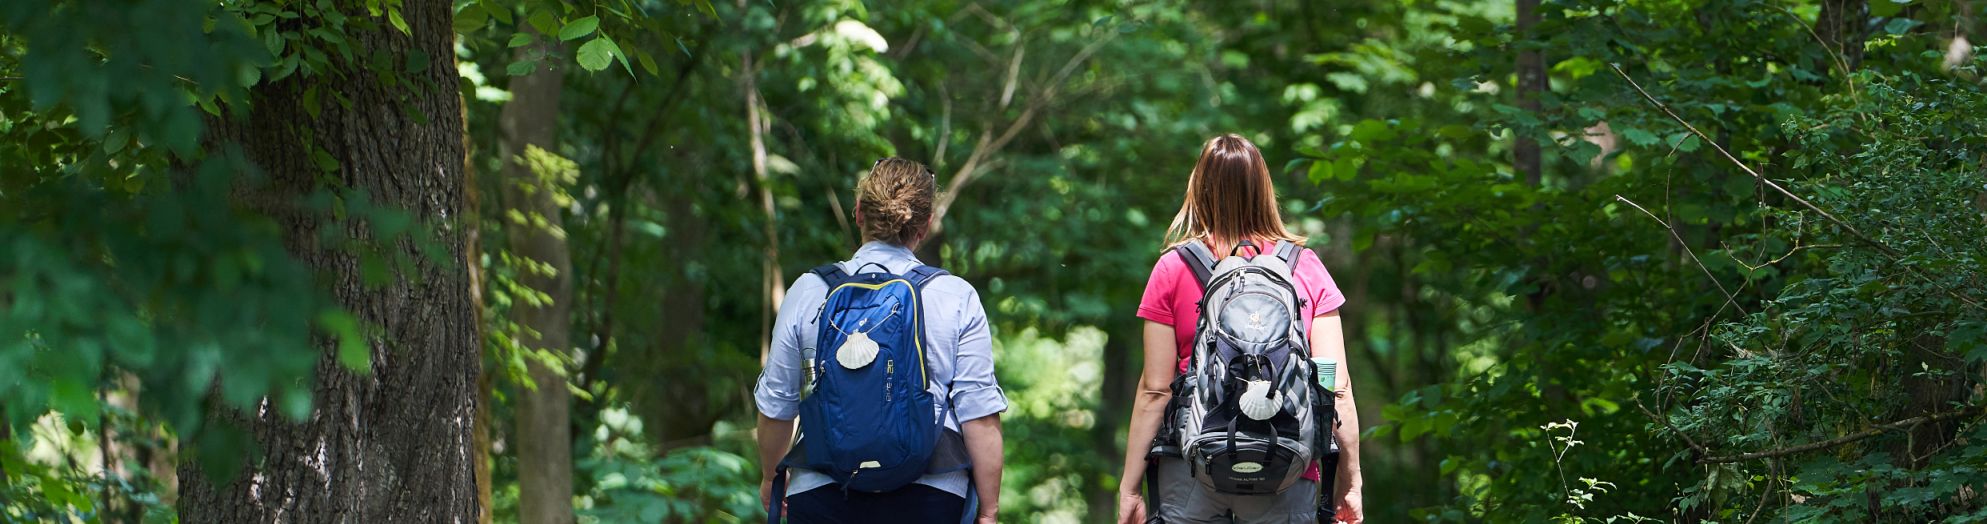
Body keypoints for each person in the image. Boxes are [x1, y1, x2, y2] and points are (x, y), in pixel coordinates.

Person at [1116, 134, 1364, 523]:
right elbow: (1336, 388)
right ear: (1264, 188)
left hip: (1191, 470)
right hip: (1287, 465)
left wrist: (1130, 487)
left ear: (1198, 188)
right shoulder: (1305, 266)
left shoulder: (1173, 268)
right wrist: (1349, 483)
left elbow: (1155, 391)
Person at [755, 157, 1006, 524]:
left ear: (858, 213)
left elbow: (777, 404)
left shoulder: (808, 291)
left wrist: (770, 476)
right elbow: (979, 415)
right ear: (926, 224)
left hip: (822, 493)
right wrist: (990, 509)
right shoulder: (955, 296)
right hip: (931, 497)